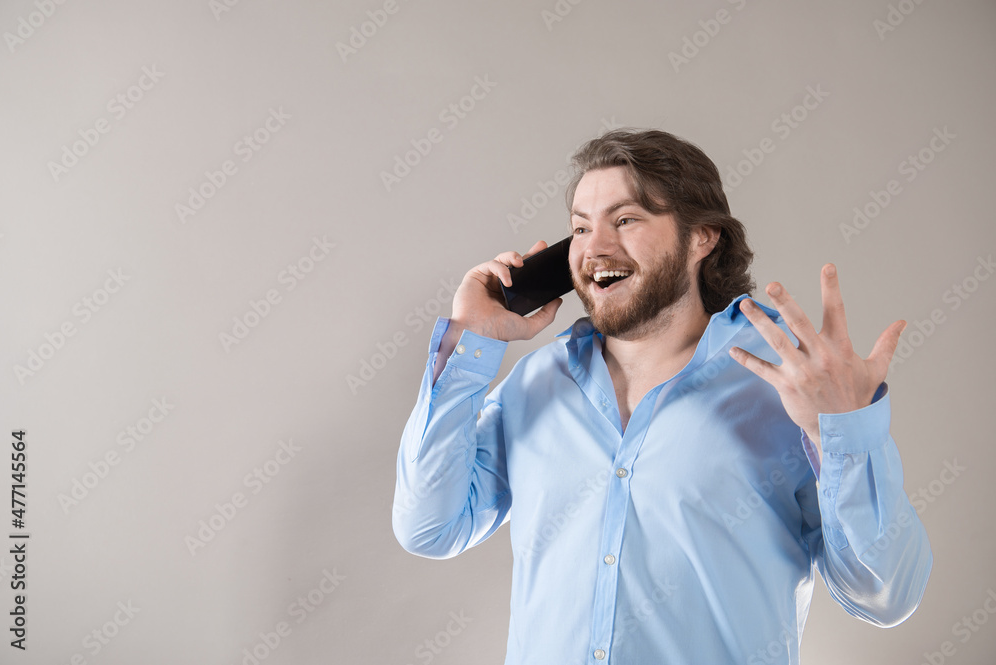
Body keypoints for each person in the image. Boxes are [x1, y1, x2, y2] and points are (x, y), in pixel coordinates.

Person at [392, 129, 931, 664]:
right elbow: (429, 527)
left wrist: (841, 432)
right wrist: (470, 341)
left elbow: (885, 595)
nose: (595, 247)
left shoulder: (787, 384)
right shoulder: (537, 383)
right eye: (580, 228)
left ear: (702, 238)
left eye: (626, 220)